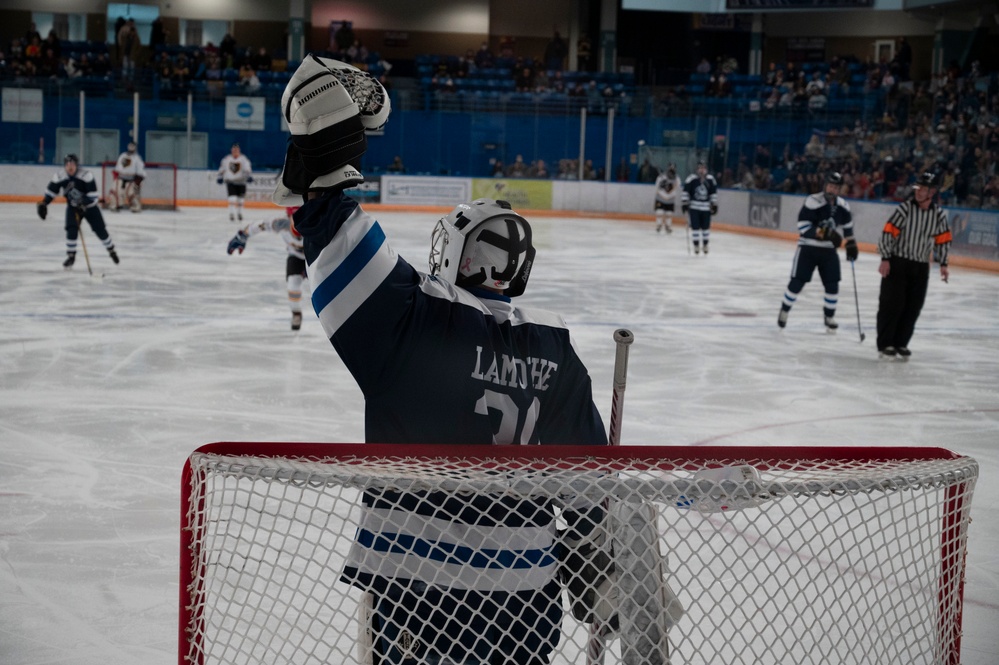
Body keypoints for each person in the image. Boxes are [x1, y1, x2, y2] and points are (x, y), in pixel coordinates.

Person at [274, 54, 609, 665]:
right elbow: (590, 487)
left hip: (417, 593)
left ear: (456, 254)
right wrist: (589, 546)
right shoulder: (559, 348)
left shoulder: (419, 316)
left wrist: (323, 148)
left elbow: (328, 226)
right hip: (526, 602)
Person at [875, 171, 952, 360]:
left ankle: (901, 343)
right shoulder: (905, 209)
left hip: (920, 267)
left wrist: (943, 263)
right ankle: (886, 343)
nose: (918, 192)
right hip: (898, 263)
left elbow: (942, 240)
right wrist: (885, 258)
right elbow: (888, 233)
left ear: (932, 192)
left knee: (913, 307)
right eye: (918, 188)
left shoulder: (939, 215)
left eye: (923, 189)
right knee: (892, 304)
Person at [777, 172, 857, 331]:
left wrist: (851, 244)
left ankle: (829, 316)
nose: (832, 189)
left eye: (836, 187)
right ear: (825, 185)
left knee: (832, 285)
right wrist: (826, 234)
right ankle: (784, 310)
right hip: (808, 248)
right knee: (797, 282)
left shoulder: (843, 206)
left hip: (828, 252)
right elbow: (803, 227)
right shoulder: (812, 201)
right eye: (830, 186)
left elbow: (848, 226)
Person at [227, 207, 307, 330]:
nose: (299, 223)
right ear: (288, 216)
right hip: (295, 257)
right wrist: (242, 235)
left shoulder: (319, 223)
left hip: (316, 257)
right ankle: (296, 313)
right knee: (293, 285)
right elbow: (259, 225)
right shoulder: (280, 223)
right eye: (295, 217)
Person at [37, 154, 120, 269]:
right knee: (71, 229)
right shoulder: (60, 176)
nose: (70, 167)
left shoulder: (86, 175)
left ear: (77, 165)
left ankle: (111, 250)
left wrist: (83, 203)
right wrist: (44, 203)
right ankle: (71, 256)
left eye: (72, 164)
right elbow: (51, 192)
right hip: (73, 207)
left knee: (100, 230)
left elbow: (94, 197)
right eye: (67, 164)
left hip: (90, 208)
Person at [681, 161, 719, 254]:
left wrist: (714, 204)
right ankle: (696, 245)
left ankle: (705, 245)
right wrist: (684, 203)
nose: (702, 170)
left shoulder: (711, 179)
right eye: (700, 168)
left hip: (706, 208)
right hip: (694, 208)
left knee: (706, 228)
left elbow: (713, 192)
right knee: (695, 227)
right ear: (697, 169)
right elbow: (686, 191)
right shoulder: (691, 179)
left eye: (704, 168)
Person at [217, 143, 253, 221]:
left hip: (241, 182)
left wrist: (249, 175)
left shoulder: (243, 159)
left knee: (241, 199)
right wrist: (220, 176)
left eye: (237, 150)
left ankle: (240, 213)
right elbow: (222, 169)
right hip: (231, 182)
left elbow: (247, 168)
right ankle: (232, 213)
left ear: (239, 150)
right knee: (232, 199)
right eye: (234, 150)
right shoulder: (226, 159)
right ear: (231, 150)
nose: (235, 151)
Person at [110, 142, 147, 212]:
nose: (131, 148)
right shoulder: (122, 156)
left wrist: (140, 177)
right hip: (120, 177)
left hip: (131, 179)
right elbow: (118, 167)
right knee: (115, 191)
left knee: (131, 194)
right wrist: (116, 174)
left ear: (135, 148)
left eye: (133, 146)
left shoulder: (137, 158)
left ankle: (135, 207)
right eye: (130, 146)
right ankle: (115, 205)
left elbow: (140, 169)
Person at [653, 164, 682, 234]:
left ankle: (668, 226)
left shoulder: (677, 179)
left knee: (669, 214)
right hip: (660, 198)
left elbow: (677, 186)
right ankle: (659, 225)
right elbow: (657, 186)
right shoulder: (661, 177)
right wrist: (663, 186)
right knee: (659, 212)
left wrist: (671, 186)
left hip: (670, 199)